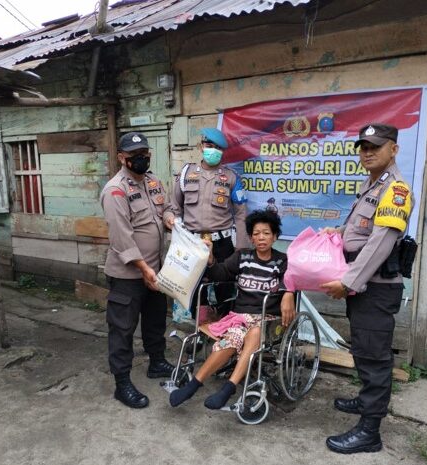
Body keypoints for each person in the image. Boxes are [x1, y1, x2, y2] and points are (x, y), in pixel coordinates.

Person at [320, 123, 414, 454]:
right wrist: (340, 229)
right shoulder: (371, 184)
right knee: (362, 349)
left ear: (394, 149)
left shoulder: (396, 190)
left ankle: (370, 432)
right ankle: (365, 401)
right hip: (364, 288)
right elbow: (361, 226)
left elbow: (380, 243)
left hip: (374, 288)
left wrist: (348, 283)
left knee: (374, 357)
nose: (368, 152)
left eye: (375, 146)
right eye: (363, 147)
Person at [169, 210, 296, 409]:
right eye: (256, 234)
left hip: (268, 318)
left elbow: (293, 280)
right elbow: (220, 274)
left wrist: (288, 292)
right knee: (232, 339)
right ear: (251, 238)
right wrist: (210, 258)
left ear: (275, 236)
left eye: (266, 233)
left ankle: (229, 387)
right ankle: (194, 385)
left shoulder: (283, 261)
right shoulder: (242, 256)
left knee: (255, 333)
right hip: (240, 317)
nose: (261, 238)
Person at [100, 131, 176, 409]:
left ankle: (156, 362)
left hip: (155, 269)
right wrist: (144, 268)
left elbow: (166, 207)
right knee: (122, 328)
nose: (141, 159)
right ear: (122, 158)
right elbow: (121, 238)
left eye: (144, 154)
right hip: (128, 275)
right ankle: (122, 384)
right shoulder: (115, 190)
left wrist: (170, 219)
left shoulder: (154, 181)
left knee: (155, 320)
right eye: (134, 156)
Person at [170, 127, 249, 318]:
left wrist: (241, 247)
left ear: (222, 152)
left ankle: (224, 332)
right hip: (192, 243)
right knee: (196, 289)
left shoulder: (231, 177)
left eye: (217, 148)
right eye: (208, 145)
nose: (212, 150)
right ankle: (199, 331)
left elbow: (241, 214)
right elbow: (175, 208)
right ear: (201, 146)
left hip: (222, 244)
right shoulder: (186, 174)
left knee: (225, 288)